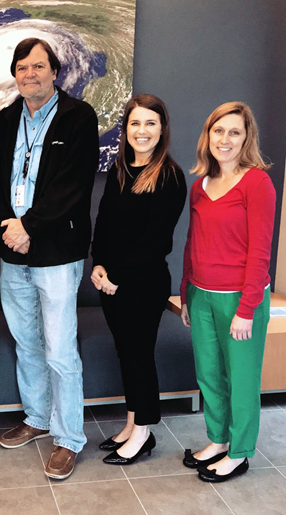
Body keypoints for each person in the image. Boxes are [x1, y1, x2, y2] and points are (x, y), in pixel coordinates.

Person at [0, 38, 99, 480]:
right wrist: (6, 227)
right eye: (21, 68)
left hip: (56, 252)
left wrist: (29, 226)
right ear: (15, 74)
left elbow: (71, 189)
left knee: (59, 350)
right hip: (13, 252)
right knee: (27, 344)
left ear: (55, 71)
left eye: (38, 67)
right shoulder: (4, 120)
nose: (29, 74)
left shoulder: (78, 118)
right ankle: (37, 418)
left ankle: (68, 438)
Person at [180, 101, 275, 482]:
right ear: (208, 136)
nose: (225, 139)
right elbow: (192, 242)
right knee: (209, 375)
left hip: (241, 298)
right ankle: (217, 440)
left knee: (242, 379)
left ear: (246, 138)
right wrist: (186, 293)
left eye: (234, 132)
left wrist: (248, 308)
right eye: (219, 130)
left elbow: (261, 251)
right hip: (201, 296)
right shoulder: (200, 186)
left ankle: (239, 451)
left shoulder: (257, 183)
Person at [91, 94, 186, 465]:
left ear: (162, 129)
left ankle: (143, 433)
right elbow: (104, 221)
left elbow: (156, 240)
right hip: (111, 281)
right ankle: (132, 425)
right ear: (125, 129)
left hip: (142, 284)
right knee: (126, 354)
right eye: (135, 123)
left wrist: (117, 276)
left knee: (139, 357)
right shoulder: (120, 168)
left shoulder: (169, 175)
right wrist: (98, 264)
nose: (141, 131)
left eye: (150, 123)